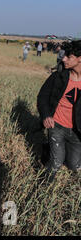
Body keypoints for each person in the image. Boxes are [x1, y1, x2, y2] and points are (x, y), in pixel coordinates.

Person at [37, 40, 81, 184]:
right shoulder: (59, 76)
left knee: (74, 165)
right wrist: (46, 115)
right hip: (57, 125)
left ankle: (48, 150)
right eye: (64, 55)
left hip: (77, 130)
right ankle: (43, 187)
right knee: (56, 162)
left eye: (69, 56)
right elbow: (42, 97)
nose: (63, 59)